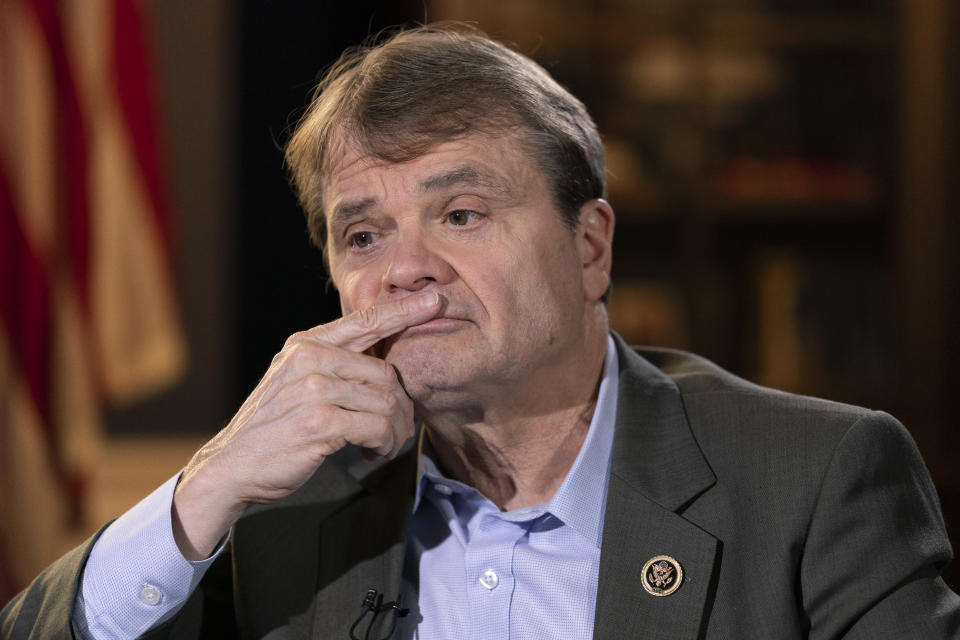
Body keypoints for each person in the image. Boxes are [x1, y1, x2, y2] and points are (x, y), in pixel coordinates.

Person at [2, 23, 959, 640]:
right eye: (363, 232)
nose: (403, 267)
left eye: (460, 213)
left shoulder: (817, 480)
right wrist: (203, 491)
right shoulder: (285, 515)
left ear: (590, 248)